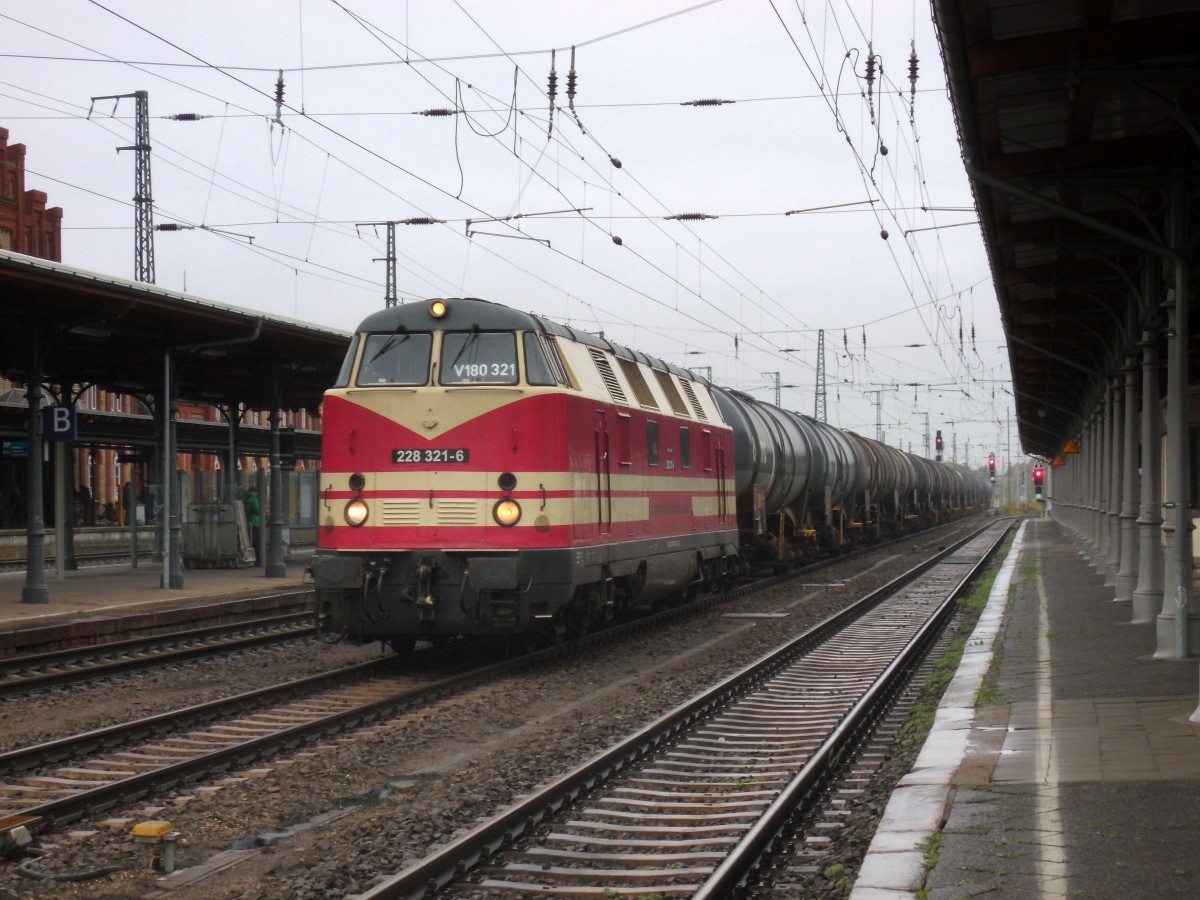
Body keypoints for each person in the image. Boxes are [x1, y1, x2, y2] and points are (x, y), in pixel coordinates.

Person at [243, 486, 262, 565]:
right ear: (253, 492)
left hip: (247, 521)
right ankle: (258, 559)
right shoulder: (253, 499)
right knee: (256, 541)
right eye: (256, 493)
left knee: (250, 540)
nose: (257, 494)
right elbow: (258, 510)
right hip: (255, 522)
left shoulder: (245, 498)